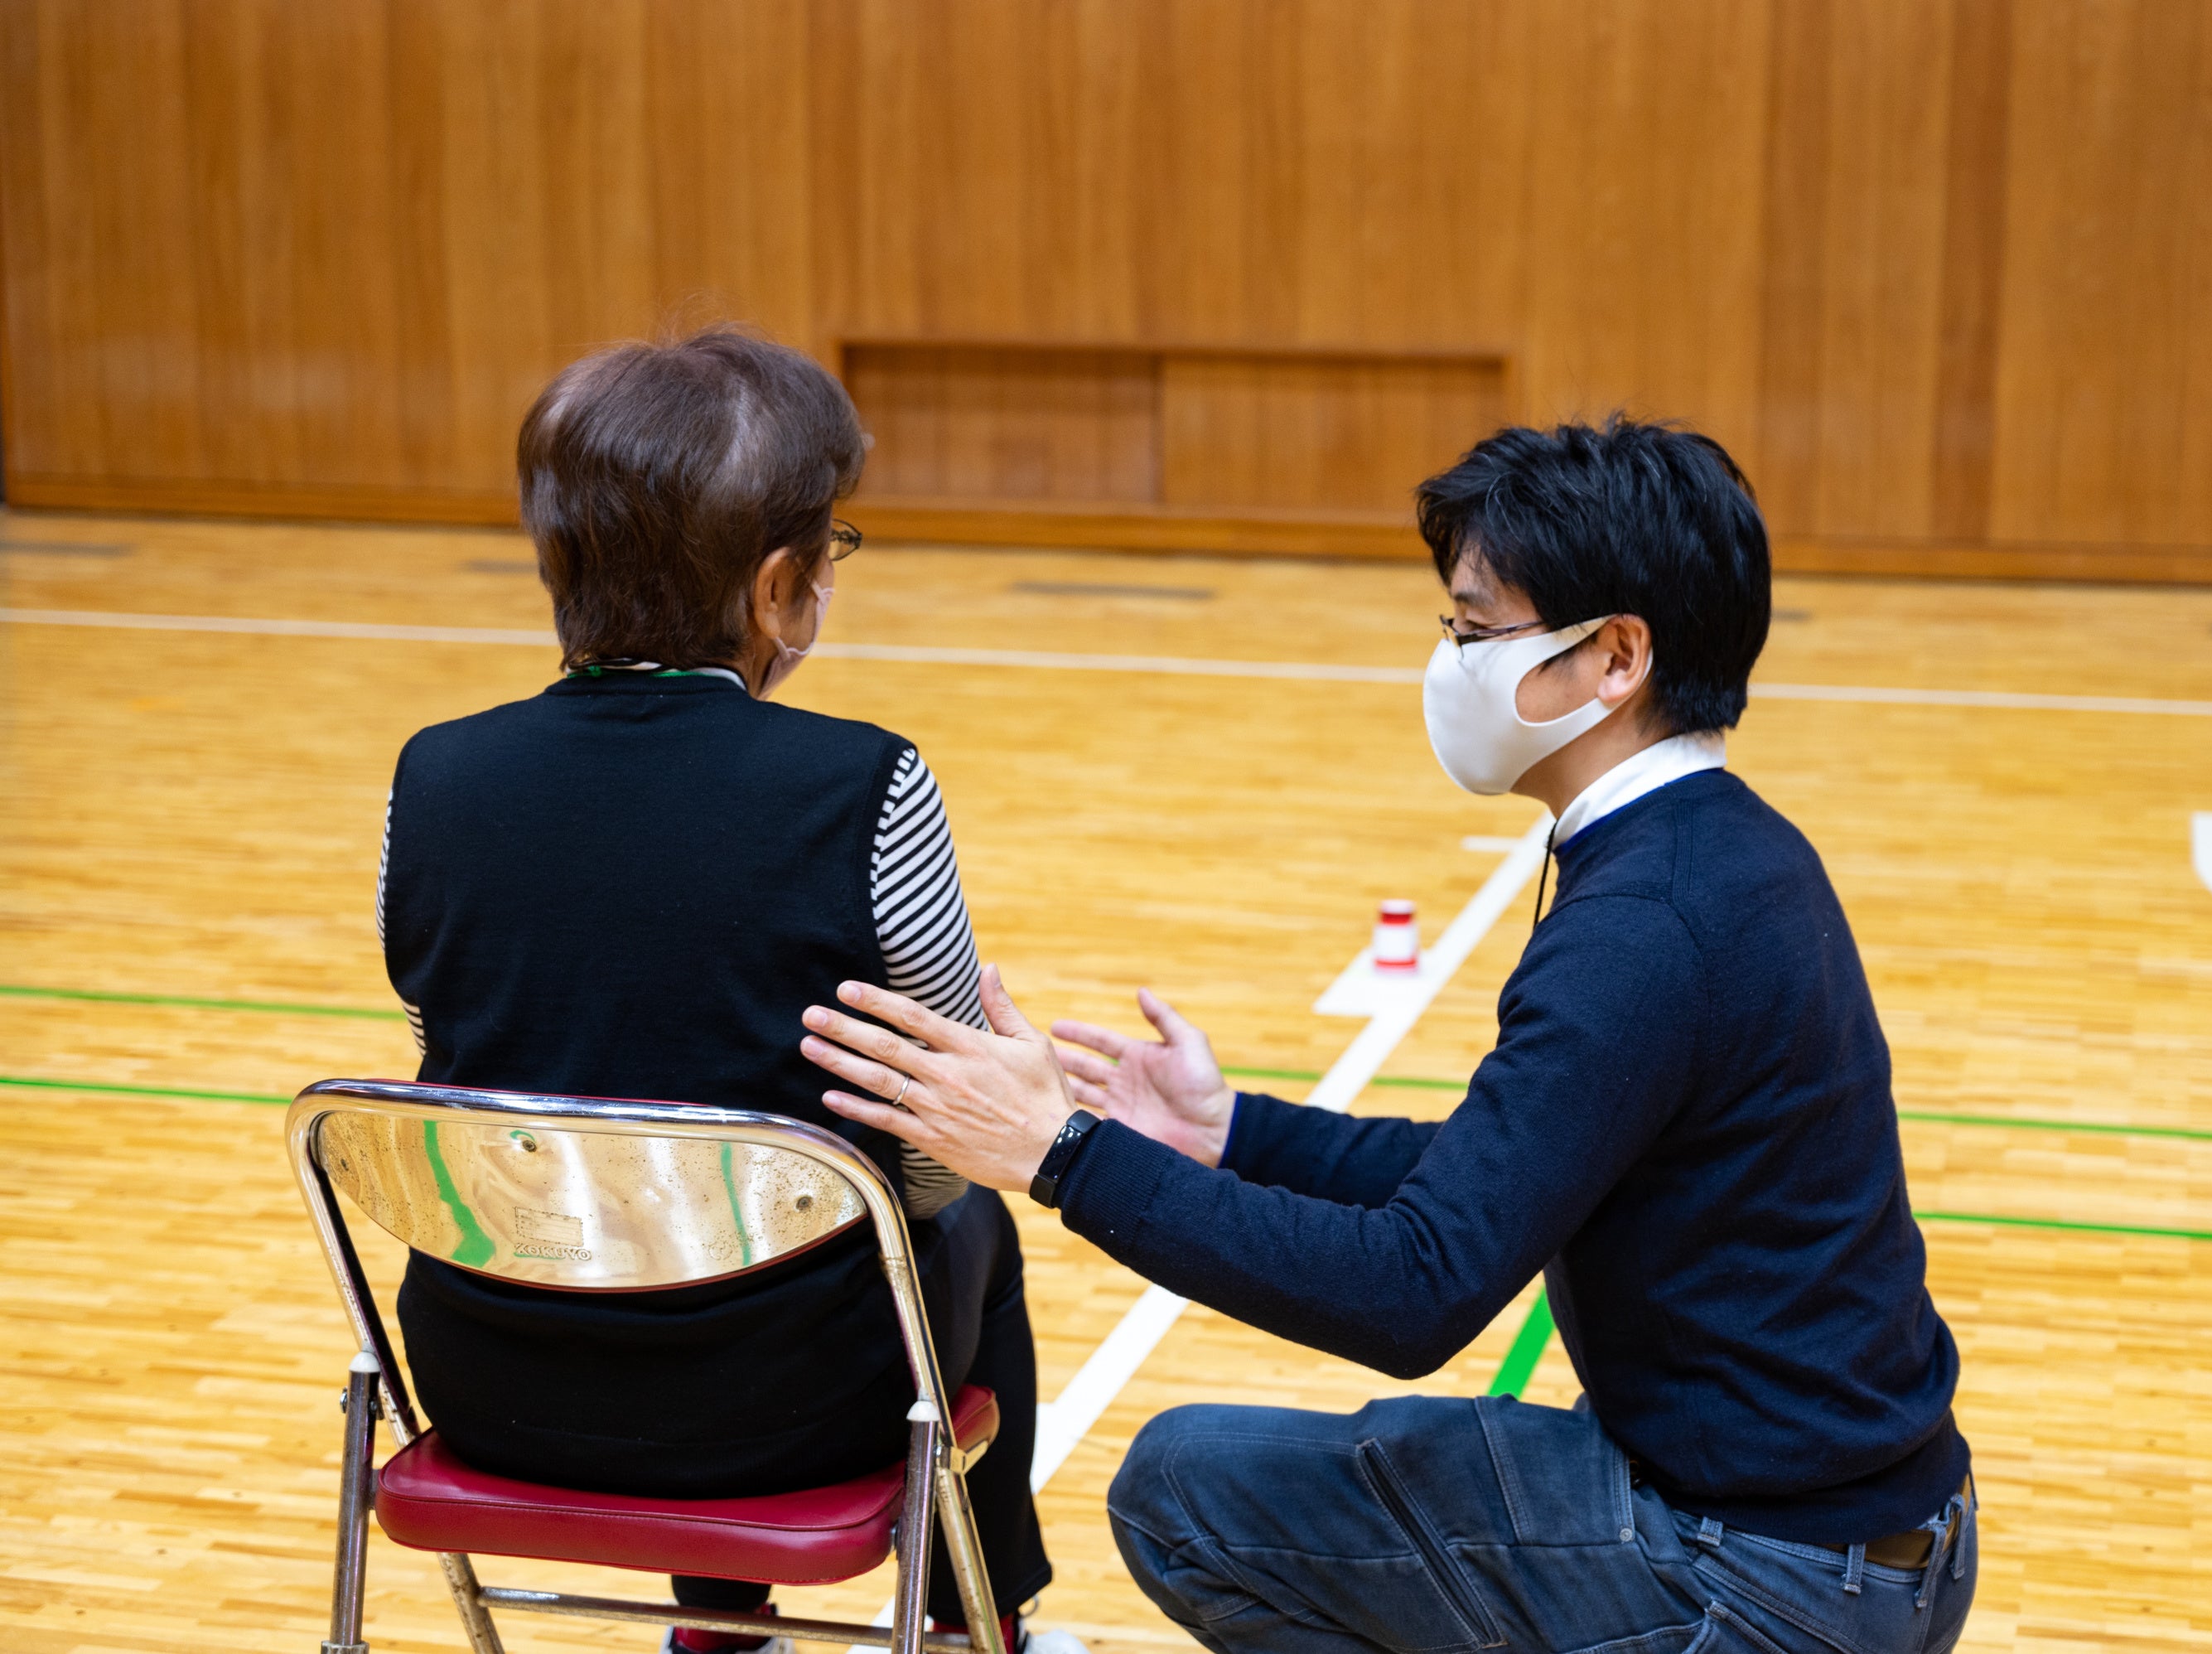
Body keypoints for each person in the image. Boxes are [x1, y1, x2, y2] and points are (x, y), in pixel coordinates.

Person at [797, 418, 1977, 1654]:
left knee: (1185, 1493)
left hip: (1767, 1579)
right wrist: (1231, 1132)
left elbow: (1413, 1292)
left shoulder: (1644, 929)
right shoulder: (1725, 847)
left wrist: (1065, 1155)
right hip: (1863, 1540)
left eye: (1475, 631)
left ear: (1616, 656)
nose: (1448, 663)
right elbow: (1498, 1171)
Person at [376, 328, 1066, 1654]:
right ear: (778, 589)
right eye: (831, 549)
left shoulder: (431, 778)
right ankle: (982, 1626)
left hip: (487, 1382)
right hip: (788, 1407)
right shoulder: (868, 785)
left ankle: (722, 1632)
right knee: (967, 1216)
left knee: (657, 1190)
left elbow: (460, 1065)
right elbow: (937, 1137)